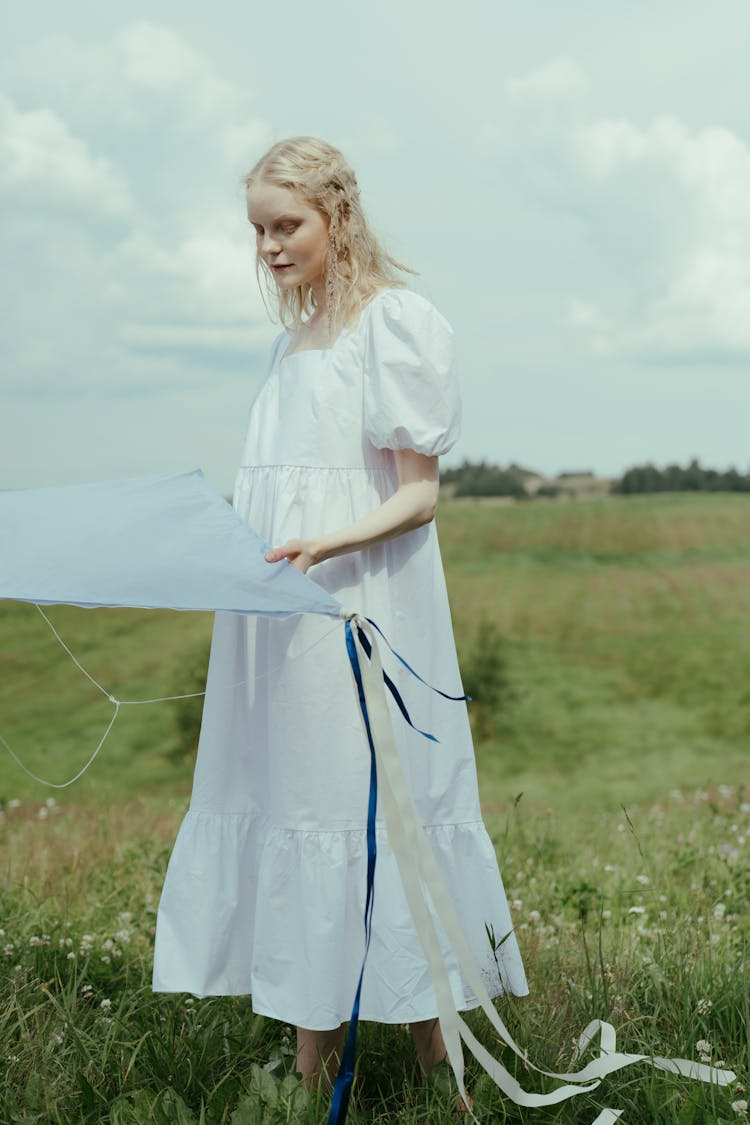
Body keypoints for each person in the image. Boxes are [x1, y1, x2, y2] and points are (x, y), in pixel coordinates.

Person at [152, 136, 528, 1099]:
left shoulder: (391, 324)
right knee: (301, 806)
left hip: (362, 606)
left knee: (382, 812)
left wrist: (325, 543)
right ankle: (313, 1074)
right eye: (259, 232)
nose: (271, 247)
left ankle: (440, 1068)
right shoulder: (288, 345)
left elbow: (420, 496)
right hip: (282, 616)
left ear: (338, 219)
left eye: (289, 226)